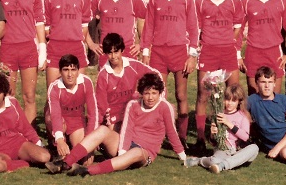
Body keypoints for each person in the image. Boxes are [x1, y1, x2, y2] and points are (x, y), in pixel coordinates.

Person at [46, 73, 186, 177]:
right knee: (102, 129)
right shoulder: (133, 104)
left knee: (136, 152)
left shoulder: (165, 107)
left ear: (160, 93)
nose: (150, 97)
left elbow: (172, 133)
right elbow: (126, 130)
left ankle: (87, 170)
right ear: (141, 93)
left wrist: (182, 156)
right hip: (126, 144)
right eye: (147, 93)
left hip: (145, 152)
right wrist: (122, 152)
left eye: (154, 93)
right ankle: (65, 163)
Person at [141, 0, 199, 148]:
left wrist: (192, 55)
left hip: (180, 52)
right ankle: (158, 135)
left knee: (181, 95)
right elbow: (149, 26)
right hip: (158, 52)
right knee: (158, 95)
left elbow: (193, 27)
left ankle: (181, 138)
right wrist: (145, 50)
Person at [194, 0, 243, 147]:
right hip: (208, 53)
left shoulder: (234, 1)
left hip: (228, 52)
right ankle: (200, 138)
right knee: (203, 95)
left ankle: (233, 136)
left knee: (234, 93)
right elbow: (196, 29)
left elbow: (237, 26)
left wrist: (228, 41)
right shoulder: (200, 2)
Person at [42, 0, 92, 92]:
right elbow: (46, 28)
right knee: (53, 93)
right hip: (55, 48)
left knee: (77, 94)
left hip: (76, 48)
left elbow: (84, 26)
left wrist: (75, 38)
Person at [96, 33, 161, 132]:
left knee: (142, 132)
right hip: (114, 113)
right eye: (109, 53)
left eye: (116, 52)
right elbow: (101, 105)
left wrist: (160, 98)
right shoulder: (103, 75)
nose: (113, 56)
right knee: (117, 138)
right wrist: (101, 123)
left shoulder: (133, 65)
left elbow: (156, 74)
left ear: (122, 50)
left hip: (131, 108)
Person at [185, 85, 258, 173]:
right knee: (214, 161)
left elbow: (245, 137)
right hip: (224, 150)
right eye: (227, 99)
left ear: (239, 102)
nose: (229, 103)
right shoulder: (219, 114)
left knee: (254, 148)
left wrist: (228, 123)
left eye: (233, 100)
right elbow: (213, 142)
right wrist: (212, 134)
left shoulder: (242, 116)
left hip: (239, 151)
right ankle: (202, 161)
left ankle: (224, 164)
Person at [88, 0, 146, 67]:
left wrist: (142, 44)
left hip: (128, 51)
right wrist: (91, 44)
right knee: (106, 78)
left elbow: (145, 22)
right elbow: (82, 22)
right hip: (106, 51)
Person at [46, 54, 99, 159]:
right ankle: (56, 144)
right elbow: (55, 115)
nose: (70, 74)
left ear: (78, 71)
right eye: (66, 70)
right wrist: (60, 140)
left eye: (73, 70)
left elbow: (93, 112)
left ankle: (71, 144)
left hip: (77, 121)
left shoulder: (86, 82)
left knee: (86, 159)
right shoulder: (54, 87)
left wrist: (90, 137)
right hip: (60, 121)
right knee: (63, 156)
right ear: (60, 71)